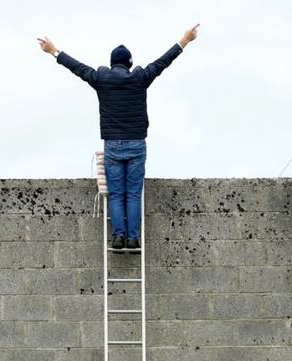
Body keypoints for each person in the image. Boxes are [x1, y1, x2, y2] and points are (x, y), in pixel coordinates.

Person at [38, 24, 199, 251]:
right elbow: (164, 61)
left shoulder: (101, 79)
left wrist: (54, 51)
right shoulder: (140, 78)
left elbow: (76, 67)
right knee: (133, 194)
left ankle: (118, 237)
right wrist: (185, 40)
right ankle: (133, 239)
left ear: (112, 63)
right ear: (129, 63)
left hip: (113, 144)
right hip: (136, 144)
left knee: (116, 194)